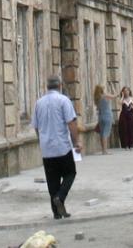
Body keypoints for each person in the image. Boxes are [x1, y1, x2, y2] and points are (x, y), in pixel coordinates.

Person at [34, 75, 79, 220]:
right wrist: (76, 142)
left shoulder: (38, 103)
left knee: (52, 181)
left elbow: (36, 127)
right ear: (60, 86)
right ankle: (60, 197)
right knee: (70, 173)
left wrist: (41, 140)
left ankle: (57, 212)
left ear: (47, 86)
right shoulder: (63, 100)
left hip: (47, 149)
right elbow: (71, 123)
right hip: (62, 147)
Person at [94, 84, 112, 155]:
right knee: (105, 134)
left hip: (100, 116)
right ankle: (105, 151)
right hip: (107, 115)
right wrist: (112, 87)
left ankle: (103, 150)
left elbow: (97, 108)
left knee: (102, 133)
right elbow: (115, 95)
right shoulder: (105, 96)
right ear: (101, 90)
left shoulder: (96, 98)